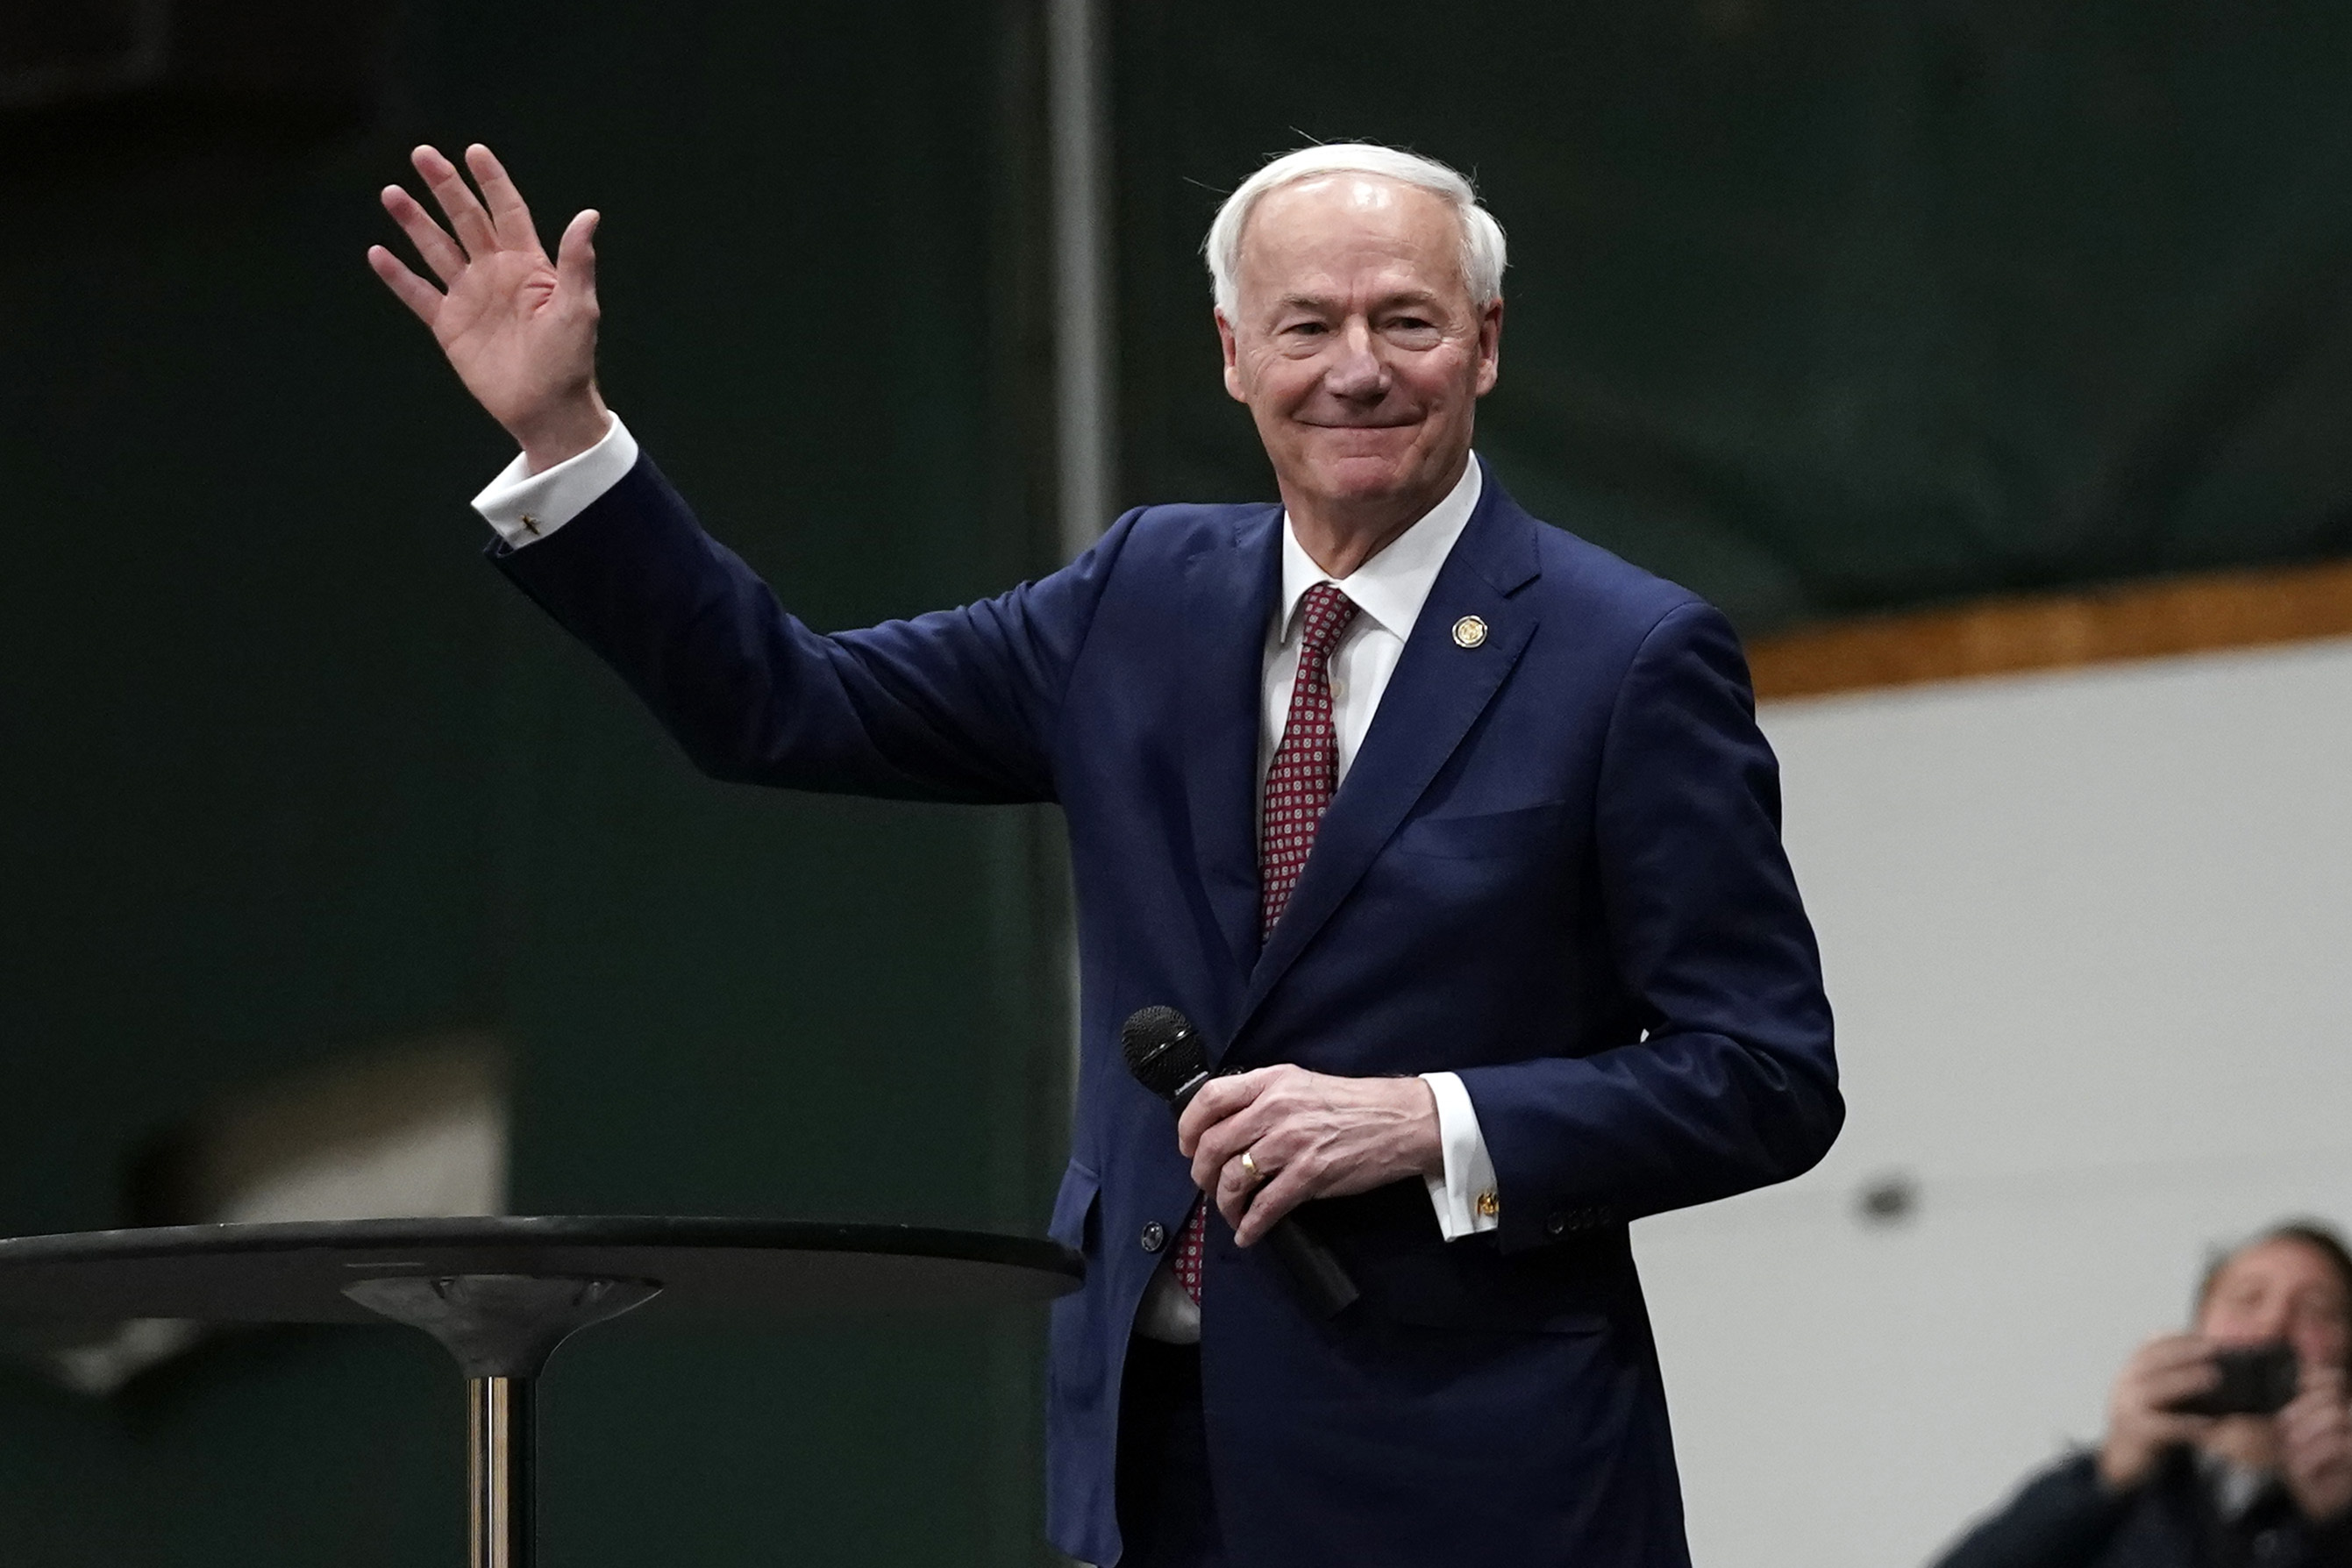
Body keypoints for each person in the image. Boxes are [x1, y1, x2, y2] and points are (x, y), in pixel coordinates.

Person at [367, 138, 1842, 1568]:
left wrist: (1426, 1119)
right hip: (1153, 1464)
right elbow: (782, 703)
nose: (1355, 368)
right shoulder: (1139, 593)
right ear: (1229, 351)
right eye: (1305, 324)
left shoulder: (1627, 654)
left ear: (1485, 343)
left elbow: (1763, 1074)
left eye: (1406, 320)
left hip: (1470, 1474)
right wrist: (567, 440)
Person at [1936, 1222, 2352, 1568]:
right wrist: (2108, 1474)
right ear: (2199, 1326)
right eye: (2248, 1299)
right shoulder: (2122, 1487)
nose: (2272, 1326)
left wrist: (2338, 1524)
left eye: (2315, 1309)